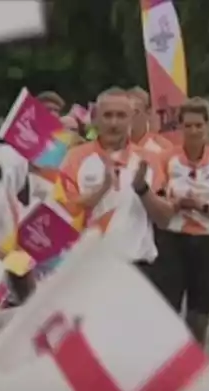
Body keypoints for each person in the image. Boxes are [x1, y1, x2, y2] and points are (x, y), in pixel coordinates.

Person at [59, 87, 173, 286]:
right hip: (88, 267)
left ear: (131, 119)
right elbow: (65, 213)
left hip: (136, 268)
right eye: (108, 115)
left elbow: (165, 220)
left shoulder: (149, 160)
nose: (114, 123)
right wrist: (101, 189)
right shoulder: (75, 158)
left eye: (121, 116)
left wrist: (143, 190)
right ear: (95, 119)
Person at [154, 97, 209, 341]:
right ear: (180, 128)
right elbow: (157, 202)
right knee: (169, 311)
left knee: (199, 316)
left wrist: (202, 205)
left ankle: (196, 366)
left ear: (208, 126)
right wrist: (176, 204)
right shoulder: (165, 159)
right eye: (188, 126)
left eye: (199, 125)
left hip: (208, 240)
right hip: (173, 239)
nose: (193, 131)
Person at [127, 86, 172, 155]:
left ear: (148, 112)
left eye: (135, 112)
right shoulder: (114, 146)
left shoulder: (162, 147)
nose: (130, 117)